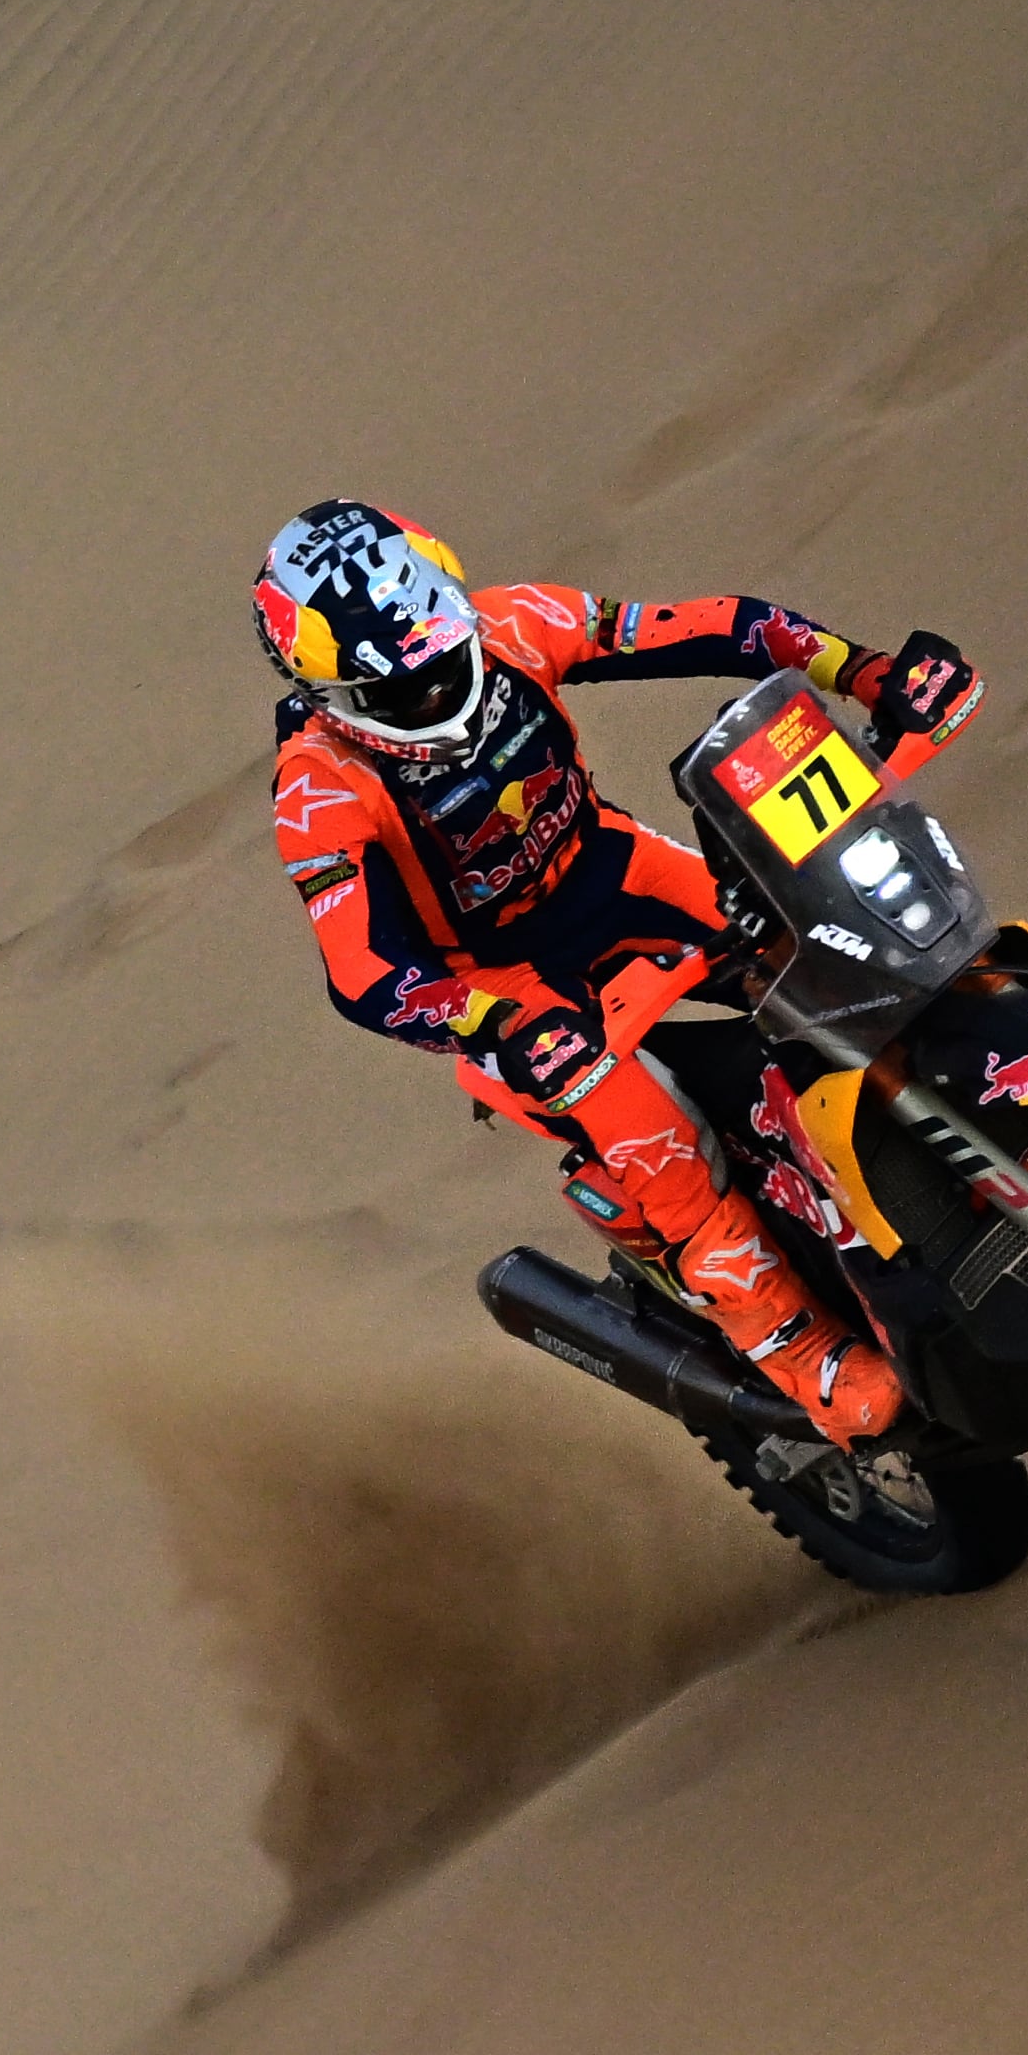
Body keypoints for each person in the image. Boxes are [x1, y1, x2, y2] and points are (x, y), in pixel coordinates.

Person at [251, 497, 980, 1445]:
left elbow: (713, 626)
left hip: (617, 873)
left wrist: (867, 670)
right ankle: (797, 1350)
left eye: (444, 659)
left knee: (848, 938)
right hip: (508, 986)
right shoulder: (319, 790)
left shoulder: (513, 624)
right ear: (334, 694)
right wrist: (491, 1024)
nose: (439, 694)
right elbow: (361, 973)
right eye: (407, 690)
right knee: (639, 1118)